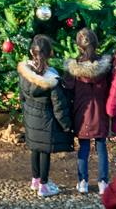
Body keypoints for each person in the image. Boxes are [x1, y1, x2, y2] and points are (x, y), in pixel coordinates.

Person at [18, 34, 73, 197]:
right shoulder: (52, 77)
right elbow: (59, 106)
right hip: (47, 121)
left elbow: (22, 96)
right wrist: (66, 124)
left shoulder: (24, 72)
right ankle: (44, 185)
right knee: (44, 152)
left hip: (31, 119)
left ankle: (35, 180)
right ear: (50, 53)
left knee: (35, 147)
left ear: (31, 51)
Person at [64, 27, 113, 194]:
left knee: (83, 147)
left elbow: (68, 91)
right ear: (96, 44)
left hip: (81, 112)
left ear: (79, 47)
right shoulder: (106, 67)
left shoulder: (73, 68)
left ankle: (83, 181)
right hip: (101, 112)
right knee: (101, 147)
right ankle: (103, 182)